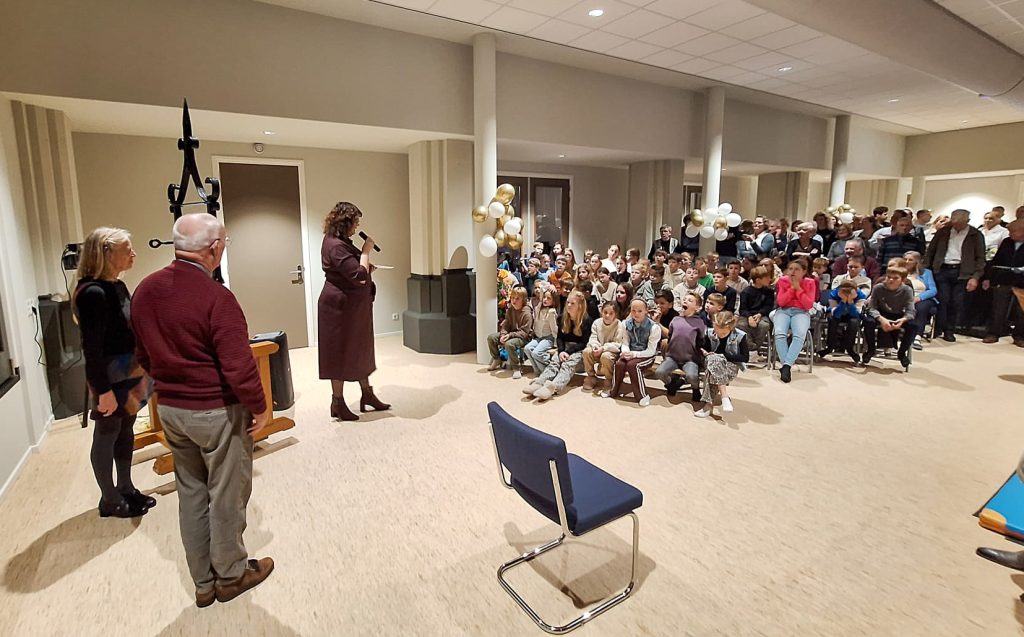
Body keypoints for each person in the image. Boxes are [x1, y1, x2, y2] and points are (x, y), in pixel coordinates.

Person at [132, 213, 274, 608]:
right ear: (213, 248)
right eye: (225, 242)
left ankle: (203, 582)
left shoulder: (145, 290)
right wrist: (261, 408)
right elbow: (238, 364)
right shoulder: (216, 297)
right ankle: (230, 575)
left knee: (191, 492)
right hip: (216, 411)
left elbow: (142, 353)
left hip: (173, 411)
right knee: (226, 495)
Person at [73, 227, 154, 519]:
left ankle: (126, 487)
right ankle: (109, 499)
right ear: (106, 253)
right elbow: (91, 348)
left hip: (129, 371)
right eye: (127, 249)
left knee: (126, 429)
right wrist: (103, 391)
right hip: (108, 376)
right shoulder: (92, 292)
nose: (133, 253)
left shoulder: (117, 286)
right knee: (107, 432)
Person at [316, 202, 389, 420]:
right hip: (338, 309)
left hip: (354, 307)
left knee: (360, 348)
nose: (357, 227)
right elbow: (358, 276)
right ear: (345, 223)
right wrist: (366, 252)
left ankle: (367, 394)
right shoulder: (335, 245)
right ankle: (337, 402)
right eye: (355, 222)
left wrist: (366, 263)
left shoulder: (342, 242)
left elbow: (356, 269)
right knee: (338, 353)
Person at [924, 208, 986, 342]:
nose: (956, 226)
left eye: (960, 224)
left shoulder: (975, 235)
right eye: (954, 223)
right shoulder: (943, 232)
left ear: (968, 221)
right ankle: (938, 328)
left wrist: (975, 277)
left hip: (962, 272)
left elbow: (980, 258)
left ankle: (949, 330)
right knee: (942, 300)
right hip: (942, 269)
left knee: (956, 302)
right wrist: (926, 270)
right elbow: (931, 252)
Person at [524, 290, 592, 401]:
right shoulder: (562, 318)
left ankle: (553, 387)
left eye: (573, 303)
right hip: (564, 348)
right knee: (554, 362)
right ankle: (540, 382)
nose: (569, 305)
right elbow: (559, 337)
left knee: (567, 365)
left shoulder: (587, 321)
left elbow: (584, 343)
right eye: (568, 302)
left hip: (579, 351)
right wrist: (561, 351)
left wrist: (567, 352)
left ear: (580, 306)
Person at [602, 299, 660, 406]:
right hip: (631, 352)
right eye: (633, 311)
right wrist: (625, 352)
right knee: (620, 363)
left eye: (639, 311)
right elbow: (625, 342)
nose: (636, 313)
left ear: (646, 311)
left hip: (646, 355)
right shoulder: (626, 324)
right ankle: (613, 390)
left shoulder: (654, 327)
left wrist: (634, 354)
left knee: (633, 365)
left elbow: (651, 351)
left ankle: (642, 395)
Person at [694, 311, 748, 418]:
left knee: (713, 368)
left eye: (723, 333)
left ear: (730, 328)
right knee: (713, 360)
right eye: (717, 332)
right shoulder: (709, 333)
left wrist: (723, 356)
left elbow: (745, 358)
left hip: (730, 367)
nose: (719, 335)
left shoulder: (740, 336)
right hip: (710, 362)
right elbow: (702, 349)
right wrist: (703, 351)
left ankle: (708, 406)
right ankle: (724, 396)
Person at [862, 265, 917, 368]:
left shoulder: (907, 290)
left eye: (895, 278)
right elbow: (871, 308)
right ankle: (870, 350)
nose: (891, 280)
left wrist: (902, 320)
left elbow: (911, 311)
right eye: (889, 277)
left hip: (899, 315)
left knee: (913, 326)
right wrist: (881, 319)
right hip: (880, 314)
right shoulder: (878, 288)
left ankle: (902, 353)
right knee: (868, 322)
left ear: (902, 279)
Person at [773, 257, 817, 383]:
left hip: (801, 312)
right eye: (790, 269)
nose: (792, 272)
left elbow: (808, 305)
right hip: (784, 310)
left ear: (804, 271)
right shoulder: (782, 280)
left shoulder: (810, 282)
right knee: (779, 333)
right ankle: (786, 365)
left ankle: (786, 366)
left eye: (797, 269)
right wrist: (792, 288)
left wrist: (798, 289)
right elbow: (781, 302)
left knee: (800, 334)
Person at [655, 291, 705, 401]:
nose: (686, 301)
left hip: (690, 359)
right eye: (685, 299)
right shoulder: (675, 319)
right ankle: (672, 383)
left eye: (690, 300)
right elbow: (670, 335)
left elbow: (701, 341)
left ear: (697, 308)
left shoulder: (699, 323)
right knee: (659, 372)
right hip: (673, 357)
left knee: (692, 376)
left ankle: (695, 389)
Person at [982, 220, 1024, 346]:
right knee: (998, 308)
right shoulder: (1007, 242)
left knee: (1021, 310)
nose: (1010, 234)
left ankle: (1020, 336)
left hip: (1022, 282)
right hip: (1004, 279)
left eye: (1013, 231)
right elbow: (996, 260)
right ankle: (993, 333)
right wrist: (988, 278)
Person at [486, 286, 534, 379]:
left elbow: (524, 332)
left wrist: (510, 335)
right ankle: (497, 359)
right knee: (491, 338)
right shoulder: (510, 309)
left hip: (523, 337)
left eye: (517, 298)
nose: (514, 301)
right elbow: (506, 325)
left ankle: (516, 368)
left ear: (523, 300)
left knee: (509, 344)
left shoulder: (527, 313)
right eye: (512, 298)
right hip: (511, 334)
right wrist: (503, 335)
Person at [581, 301, 627, 392]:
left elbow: (617, 344)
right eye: (605, 312)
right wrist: (595, 346)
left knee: (605, 356)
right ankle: (591, 377)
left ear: (615, 314)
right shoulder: (596, 323)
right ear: (601, 312)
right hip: (598, 349)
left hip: (611, 352)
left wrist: (603, 348)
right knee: (586, 351)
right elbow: (593, 338)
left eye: (611, 313)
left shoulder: (619, 325)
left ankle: (609, 379)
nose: (607, 315)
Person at [819, 279, 866, 363]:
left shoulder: (860, 295)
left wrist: (851, 302)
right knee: (832, 319)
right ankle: (830, 346)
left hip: (852, 315)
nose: (846, 293)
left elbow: (855, 314)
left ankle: (850, 348)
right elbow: (836, 314)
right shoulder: (834, 294)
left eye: (849, 291)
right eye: (844, 291)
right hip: (837, 313)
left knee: (854, 322)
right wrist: (843, 301)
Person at [904, 251, 938, 350]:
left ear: (917, 262)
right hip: (904, 298)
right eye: (905, 259)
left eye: (910, 260)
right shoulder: (899, 271)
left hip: (923, 298)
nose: (907, 261)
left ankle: (917, 336)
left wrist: (919, 298)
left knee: (921, 307)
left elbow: (933, 290)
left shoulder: (926, 273)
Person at [738, 265, 774, 356]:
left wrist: (760, 314)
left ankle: (755, 349)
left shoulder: (769, 292)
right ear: (758, 280)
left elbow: (768, 306)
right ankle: (752, 349)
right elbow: (743, 309)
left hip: (762, 315)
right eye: (766, 277)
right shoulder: (746, 292)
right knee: (740, 325)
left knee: (764, 325)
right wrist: (749, 317)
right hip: (747, 316)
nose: (769, 279)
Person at [525, 287, 559, 374]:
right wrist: (547, 287)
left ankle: (547, 370)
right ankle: (537, 370)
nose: (545, 300)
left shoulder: (551, 312)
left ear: (553, 301)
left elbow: (554, 328)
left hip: (548, 338)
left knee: (536, 353)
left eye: (548, 298)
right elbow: (541, 290)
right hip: (539, 337)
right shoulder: (539, 308)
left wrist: (556, 343)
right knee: (527, 349)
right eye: (544, 297)